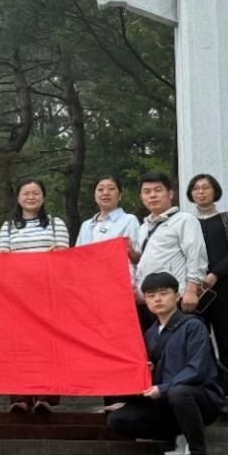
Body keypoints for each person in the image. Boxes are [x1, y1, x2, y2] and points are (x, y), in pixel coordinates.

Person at [107, 271, 224, 455]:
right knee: (118, 419)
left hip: (200, 398)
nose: (157, 299)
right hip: (167, 401)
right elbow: (150, 377)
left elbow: (196, 369)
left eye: (163, 293)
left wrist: (163, 388)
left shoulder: (194, 326)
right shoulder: (150, 334)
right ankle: (178, 434)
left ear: (177, 296)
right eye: (151, 295)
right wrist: (134, 397)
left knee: (179, 392)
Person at [0, 177, 69, 414]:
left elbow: (65, 257)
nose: (31, 197)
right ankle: (19, 397)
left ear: (43, 197)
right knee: (18, 347)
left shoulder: (56, 223)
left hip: (49, 294)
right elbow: (2, 260)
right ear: (18, 198)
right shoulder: (8, 226)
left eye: (36, 193)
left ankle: (45, 397)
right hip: (18, 296)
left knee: (48, 344)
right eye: (26, 193)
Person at [77, 175, 142, 412]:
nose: (105, 193)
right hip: (93, 293)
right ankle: (108, 400)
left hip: (120, 291)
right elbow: (78, 258)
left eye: (111, 189)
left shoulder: (129, 220)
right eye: (100, 189)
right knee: (102, 347)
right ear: (94, 194)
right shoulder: (87, 225)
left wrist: (128, 252)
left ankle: (127, 400)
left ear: (120, 194)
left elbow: (139, 256)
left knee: (122, 345)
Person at [188, 173, 228, 416]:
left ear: (215, 191)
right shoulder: (187, 222)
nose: (201, 192)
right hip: (195, 291)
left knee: (227, 342)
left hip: (224, 288)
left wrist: (214, 275)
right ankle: (208, 393)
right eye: (196, 188)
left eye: (205, 187)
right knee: (201, 343)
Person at [135, 171, 209, 330]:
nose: (152, 195)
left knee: (180, 342)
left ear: (170, 194)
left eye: (158, 190)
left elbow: (196, 256)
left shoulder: (184, 220)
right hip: (149, 302)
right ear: (142, 197)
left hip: (176, 300)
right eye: (147, 192)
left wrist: (191, 291)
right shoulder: (143, 228)